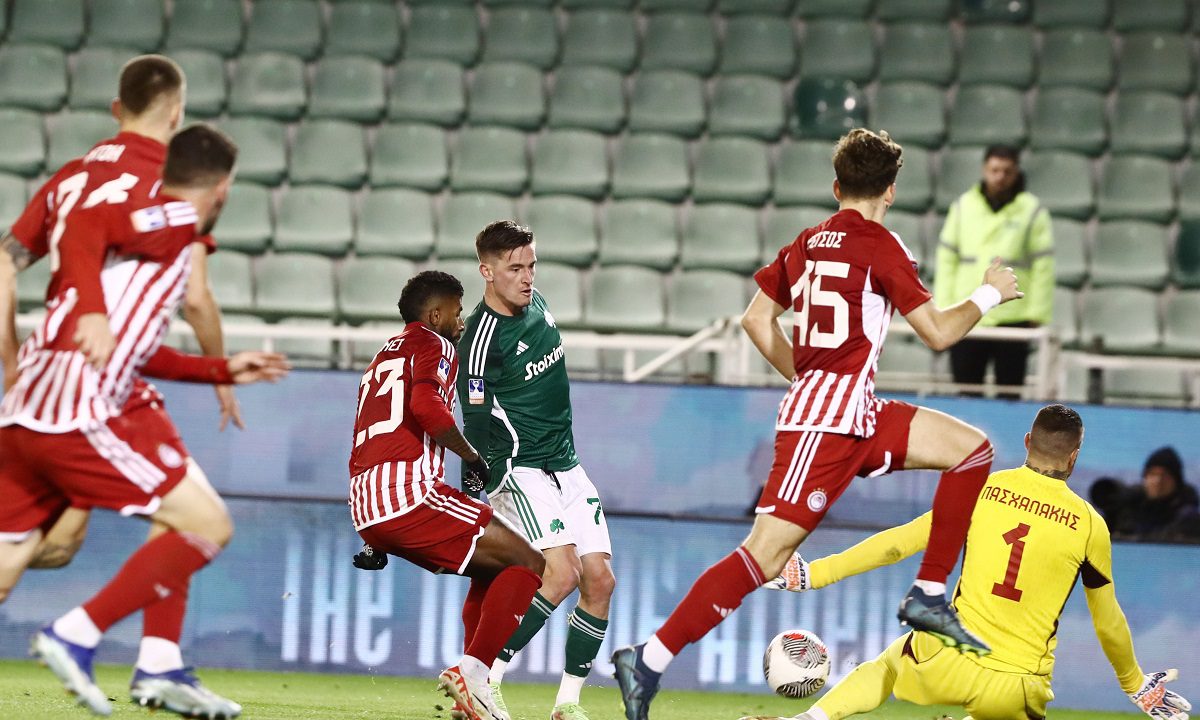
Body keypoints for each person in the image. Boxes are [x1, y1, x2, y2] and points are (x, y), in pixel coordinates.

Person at [613, 128, 1022, 720]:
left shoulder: (806, 243)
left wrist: (807, 377)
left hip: (855, 412)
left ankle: (929, 593)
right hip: (827, 425)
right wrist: (988, 294)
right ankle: (648, 659)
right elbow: (938, 333)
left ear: (836, 187)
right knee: (764, 556)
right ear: (891, 191)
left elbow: (757, 321)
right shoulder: (883, 246)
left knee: (971, 450)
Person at [0, 55, 277, 717]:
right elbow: (172, 286)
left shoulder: (75, 176)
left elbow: (21, 265)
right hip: (82, 394)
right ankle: (80, 634)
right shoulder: (170, 210)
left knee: (24, 549)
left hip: (43, 383)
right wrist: (95, 314)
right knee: (201, 521)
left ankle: (158, 664)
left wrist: (220, 370)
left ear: (117, 108)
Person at [747, 404, 1192, 720]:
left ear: (1027, 442)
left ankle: (811, 719)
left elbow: (902, 542)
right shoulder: (1090, 524)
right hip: (1017, 681)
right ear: (1074, 456)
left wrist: (814, 573)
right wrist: (1134, 684)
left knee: (886, 666)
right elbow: (1107, 620)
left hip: (946, 656)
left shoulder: (982, 489)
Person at [349, 270, 545, 720]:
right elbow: (425, 407)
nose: (461, 321)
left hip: (368, 502)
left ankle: (470, 695)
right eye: (457, 312)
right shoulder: (435, 345)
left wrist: (373, 537)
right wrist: (472, 457)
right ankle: (472, 676)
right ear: (435, 315)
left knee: (493, 569)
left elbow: (373, 438)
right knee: (529, 563)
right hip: (410, 496)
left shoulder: (381, 358)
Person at [459, 220, 616, 720]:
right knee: (562, 573)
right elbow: (475, 416)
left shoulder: (538, 304)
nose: (527, 277)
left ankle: (567, 704)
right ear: (486, 271)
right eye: (514, 269)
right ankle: (482, 678)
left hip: (566, 463)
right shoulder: (480, 340)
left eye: (531, 265)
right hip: (520, 470)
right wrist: (474, 470)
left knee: (600, 581)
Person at [935, 145, 1054, 399]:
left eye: (1007, 171)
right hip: (967, 308)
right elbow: (946, 260)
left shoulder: (1032, 210)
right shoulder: (963, 206)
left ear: (1016, 172)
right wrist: (944, 306)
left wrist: (1037, 313)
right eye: (995, 170)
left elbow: (1043, 266)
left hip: (1014, 315)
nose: (1000, 176)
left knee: (1010, 394)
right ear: (984, 170)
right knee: (966, 392)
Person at [1092, 446, 1200, 542]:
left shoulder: (1187, 516)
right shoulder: (1135, 509)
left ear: (1176, 481)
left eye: (1164, 475)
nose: (1158, 481)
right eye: (1152, 474)